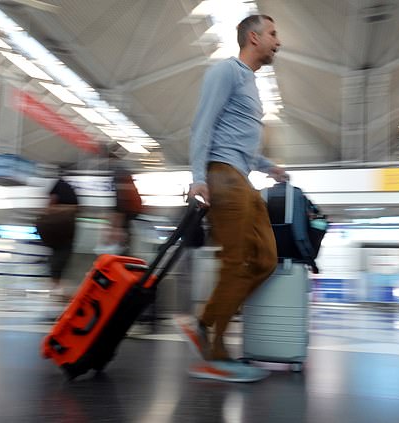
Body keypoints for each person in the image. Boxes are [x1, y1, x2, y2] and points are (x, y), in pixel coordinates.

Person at [176, 14, 286, 382]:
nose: (278, 41)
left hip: (242, 178)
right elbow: (202, 125)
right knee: (237, 261)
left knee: (267, 260)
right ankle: (214, 346)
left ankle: (205, 323)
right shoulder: (226, 72)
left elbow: (241, 142)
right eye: (273, 34)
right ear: (253, 38)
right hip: (222, 177)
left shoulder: (252, 85)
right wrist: (197, 179)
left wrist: (270, 167)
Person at [36, 177, 79, 300]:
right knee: (61, 256)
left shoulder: (60, 186)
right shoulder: (64, 187)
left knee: (59, 258)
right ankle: (60, 291)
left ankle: (58, 290)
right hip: (64, 228)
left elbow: (52, 200)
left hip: (58, 232)